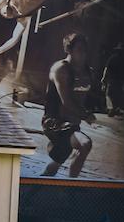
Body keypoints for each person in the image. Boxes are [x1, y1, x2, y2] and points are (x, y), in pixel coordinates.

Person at [40, 32, 95, 177]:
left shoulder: (86, 72)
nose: (83, 55)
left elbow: (84, 98)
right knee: (85, 144)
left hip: (71, 125)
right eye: (79, 50)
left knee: (54, 165)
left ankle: (37, 187)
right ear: (69, 50)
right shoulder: (60, 69)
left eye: (85, 51)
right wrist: (86, 115)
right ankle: (71, 186)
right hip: (54, 122)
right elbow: (67, 101)